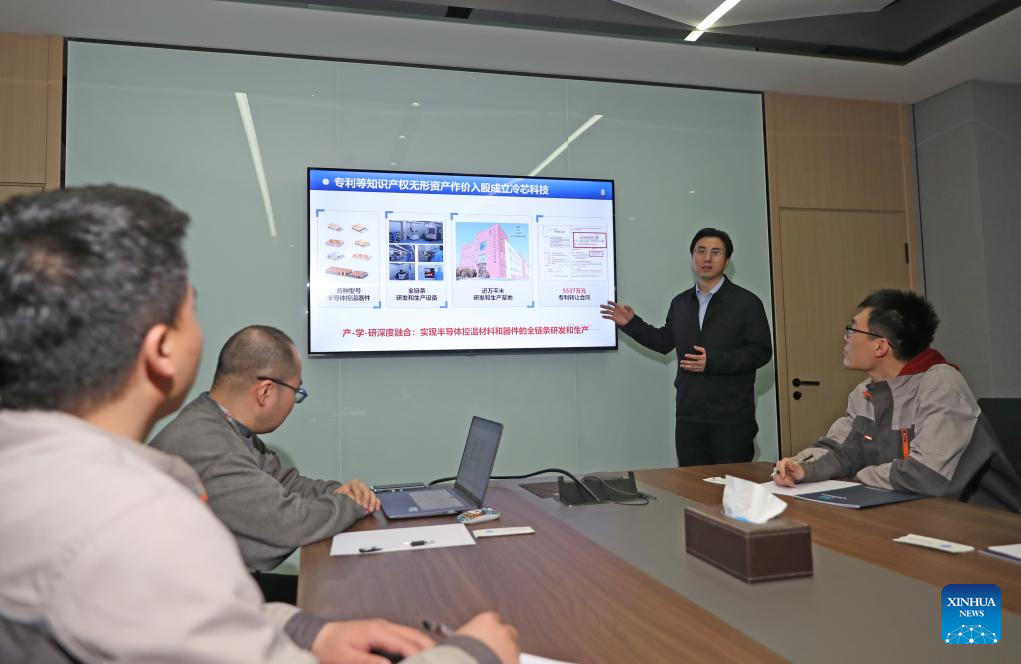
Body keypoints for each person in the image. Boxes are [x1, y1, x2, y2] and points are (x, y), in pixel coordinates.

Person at [0, 186, 519, 663]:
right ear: (162, 349)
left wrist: (306, 631)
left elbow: (186, 617)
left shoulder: (46, 477)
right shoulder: (139, 517)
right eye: (190, 311)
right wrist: (474, 653)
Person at [150, 325, 379, 573]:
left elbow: (285, 483)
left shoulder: (219, 421)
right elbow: (287, 524)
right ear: (266, 391)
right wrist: (352, 504)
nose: (294, 403)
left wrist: (336, 491)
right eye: (296, 392)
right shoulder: (211, 446)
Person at [773, 289, 1021, 511]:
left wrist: (860, 477)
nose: (846, 337)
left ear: (880, 347)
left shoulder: (941, 384)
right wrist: (800, 467)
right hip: (909, 511)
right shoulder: (865, 392)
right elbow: (840, 450)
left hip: (980, 521)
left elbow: (927, 475)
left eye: (852, 330)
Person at [600, 227, 772, 466]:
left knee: (732, 485)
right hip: (690, 417)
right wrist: (631, 323)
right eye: (701, 251)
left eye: (715, 252)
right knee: (690, 484)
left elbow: (761, 351)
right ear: (692, 257)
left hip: (731, 419)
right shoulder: (681, 303)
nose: (707, 258)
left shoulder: (747, 303)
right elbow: (664, 341)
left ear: (727, 260)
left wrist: (713, 361)